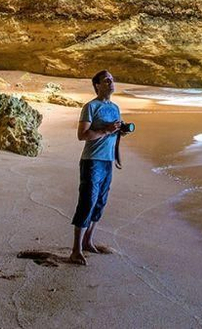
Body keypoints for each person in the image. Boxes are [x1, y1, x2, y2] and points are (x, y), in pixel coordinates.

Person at [69, 69, 123, 264]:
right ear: (97, 86)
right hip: (92, 160)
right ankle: (75, 249)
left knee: (100, 202)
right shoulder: (90, 107)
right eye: (106, 80)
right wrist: (105, 130)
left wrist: (119, 132)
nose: (111, 83)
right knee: (87, 202)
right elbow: (82, 135)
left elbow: (114, 133)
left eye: (112, 79)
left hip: (108, 160)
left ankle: (88, 241)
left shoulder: (116, 108)